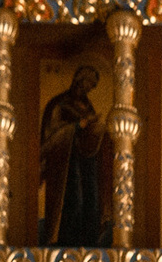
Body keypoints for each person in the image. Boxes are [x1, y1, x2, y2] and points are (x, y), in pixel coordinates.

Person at [39, 63, 112, 246]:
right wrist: (77, 126)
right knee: (74, 200)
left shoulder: (87, 105)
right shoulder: (58, 104)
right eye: (87, 83)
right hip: (65, 164)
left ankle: (89, 243)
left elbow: (90, 135)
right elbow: (51, 136)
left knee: (91, 199)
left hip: (86, 161)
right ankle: (65, 243)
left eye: (92, 86)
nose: (89, 88)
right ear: (78, 80)